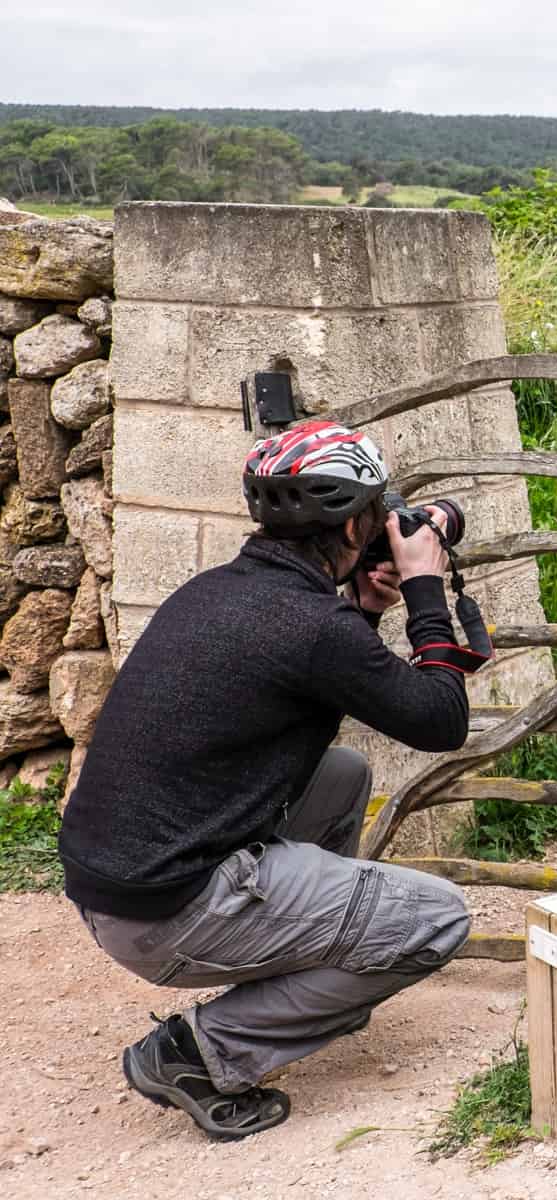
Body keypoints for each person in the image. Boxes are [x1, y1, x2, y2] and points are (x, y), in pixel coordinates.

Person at [58, 419, 476, 1140]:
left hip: (120, 885)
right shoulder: (313, 627)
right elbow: (441, 720)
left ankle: (298, 957)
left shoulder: (219, 589)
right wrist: (425, 590)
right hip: (167, 913)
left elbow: (323, 657)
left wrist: (370, 605)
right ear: (351, 531)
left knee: (341, 774)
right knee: (435, 919)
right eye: (378, 511)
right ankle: (200, 1052)